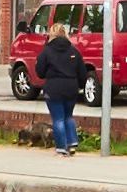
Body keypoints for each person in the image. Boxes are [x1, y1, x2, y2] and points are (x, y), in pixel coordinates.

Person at [33, 21, 91, 156]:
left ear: (51, 35)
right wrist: (80, 85)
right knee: (68, 116)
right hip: (71, 88)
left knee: (58, 118)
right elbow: (82, 72)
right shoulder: (74, 51)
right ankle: (72, 142)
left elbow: (40, 72)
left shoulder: (46, 51)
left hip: (54, 88)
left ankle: (61, 147)